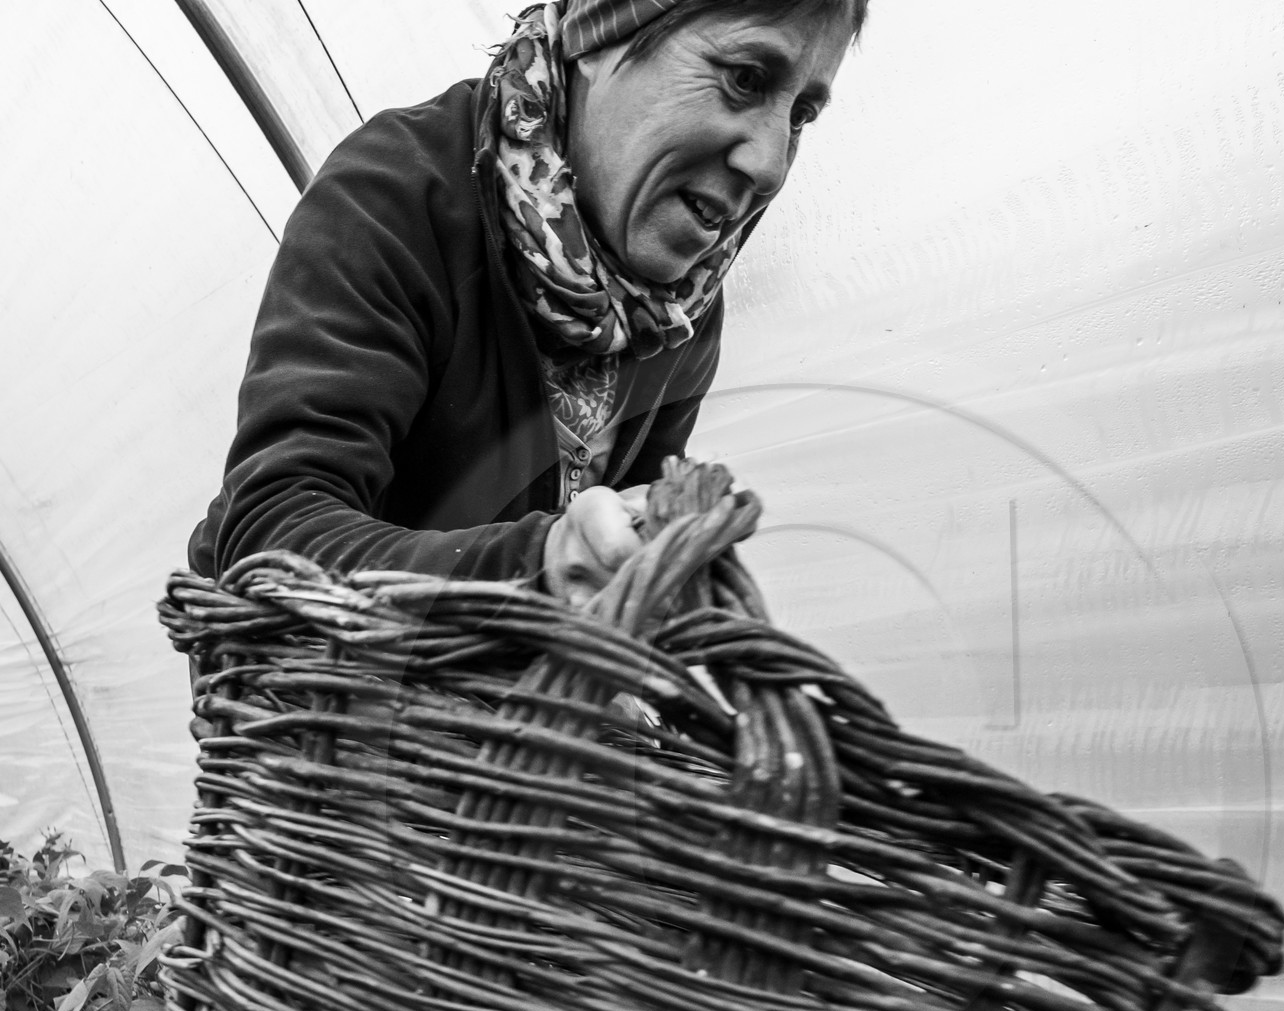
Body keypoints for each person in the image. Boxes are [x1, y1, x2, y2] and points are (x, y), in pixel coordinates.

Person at [189, 0, 865, 608]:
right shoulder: (400, 195)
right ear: (597, 38)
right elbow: (270, 539)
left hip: (506, 729)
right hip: (322, 711)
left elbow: (632, 535)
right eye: (744, 78)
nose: (771, 164)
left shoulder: (681, 310)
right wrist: (538, 569)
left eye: (801, 113)